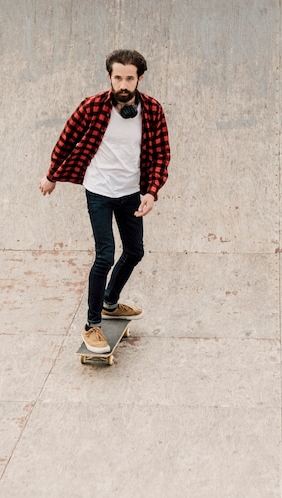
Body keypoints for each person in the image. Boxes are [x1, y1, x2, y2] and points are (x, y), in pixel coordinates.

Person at [39, 49, 170, 353]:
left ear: (139, 79)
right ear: (110, 77)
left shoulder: (152, 111)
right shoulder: (93, 107)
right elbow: (66, 140)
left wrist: (151, 192)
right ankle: (92, 324)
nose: (123, 84)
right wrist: (51, 176)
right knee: (105, 255)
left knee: (135, 251)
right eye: (118, 77)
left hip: (130, 192)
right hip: (99, 190)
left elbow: (161, 155)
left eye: (130, 78)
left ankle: (110, 301)